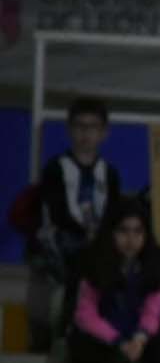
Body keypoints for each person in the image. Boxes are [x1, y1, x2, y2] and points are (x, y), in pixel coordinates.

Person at [68, 198, 160, 363]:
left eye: (137, 232)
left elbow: (152, 313)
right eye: (123, 231)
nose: (131, 239)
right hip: (105, 336)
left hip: (137, 337)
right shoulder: (93, 263)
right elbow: (85, 315)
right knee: (80, 349)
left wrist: (140, 339)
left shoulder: (155, 268)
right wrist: (119, 340)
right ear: (111, 232)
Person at [36, 95, 120, 285]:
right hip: (65, 240)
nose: (86, 133)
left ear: (104, 132)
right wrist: (85, 232)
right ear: (69, 129)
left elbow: (114, 212)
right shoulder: (56, 167)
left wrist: (99, 234)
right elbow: (56, 213)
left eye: (93, 127)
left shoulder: (110, 173)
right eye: (80, 126)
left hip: (99, 240)